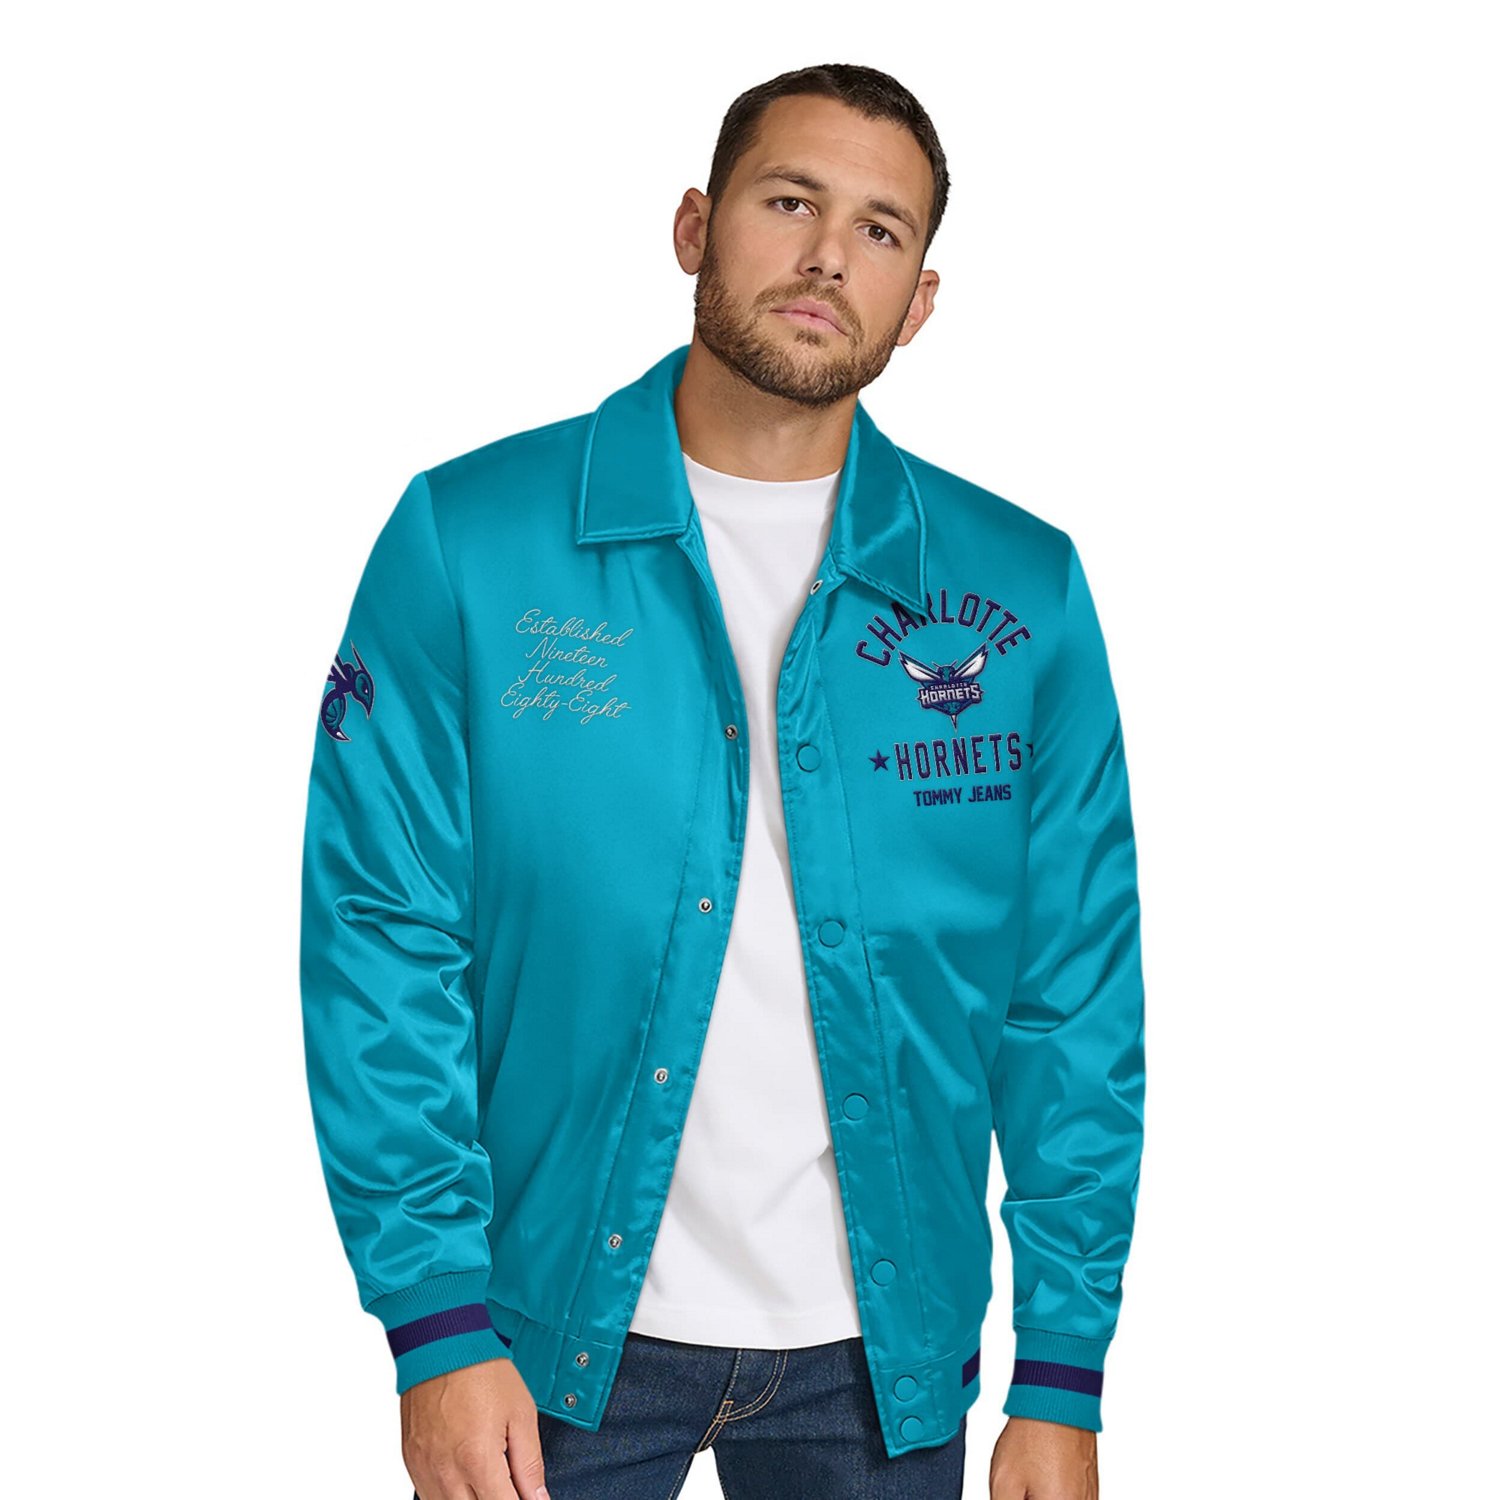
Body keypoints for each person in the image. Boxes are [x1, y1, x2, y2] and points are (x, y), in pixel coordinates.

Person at [300, 61, 1145, 1500]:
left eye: (880, 229)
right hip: (543, 1337)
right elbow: (383, 942)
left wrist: (1063, 1371)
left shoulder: (1021, 592)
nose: (829, 257)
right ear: (694, 226)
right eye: (790, 202)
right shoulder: (474, 541)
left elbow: (1072, 997)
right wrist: (434, 1322)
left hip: (885, 1353)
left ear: (921, 301)